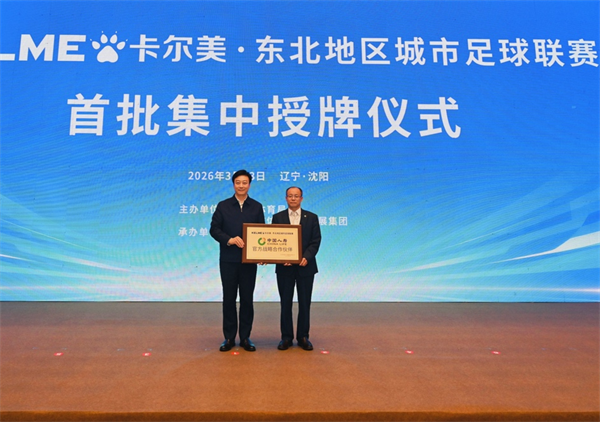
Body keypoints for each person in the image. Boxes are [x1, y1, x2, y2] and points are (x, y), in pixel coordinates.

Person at [210, 170, 265, 352]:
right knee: (229, 298)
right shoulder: (223, 206)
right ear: (233, 184)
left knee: (247, 299)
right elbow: (214, 229)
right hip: (228, 260)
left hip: (249, 261)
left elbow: (262, 233)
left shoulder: (256, 207)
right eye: (238, 182)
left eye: (245, 182)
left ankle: (245, 337)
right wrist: (230, 239)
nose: (241, 185)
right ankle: (229, 337)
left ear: (250, 185)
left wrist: (262, 254)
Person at [272, 186, 322, 351]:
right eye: (290, 196)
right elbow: (274, 240)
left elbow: (316, 241)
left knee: (305, 303)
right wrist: (282, 258)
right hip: (284, 268)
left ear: (301, 198)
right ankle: (286, 337)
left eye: (296, 196)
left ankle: (303, 337)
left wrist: (306, 257)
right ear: (286, 198)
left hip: (305, 267)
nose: (293, 199)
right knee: (285, 303)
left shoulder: (312, 217)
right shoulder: (278, 217)